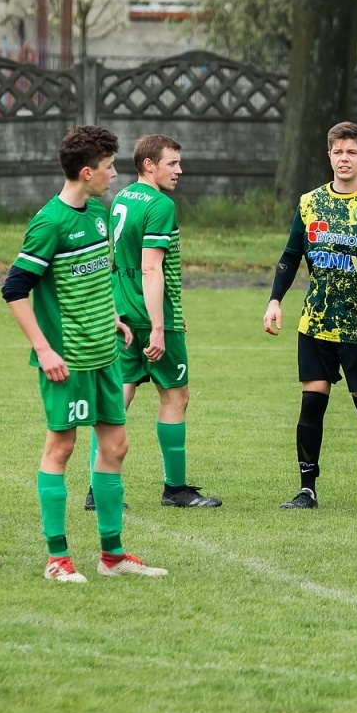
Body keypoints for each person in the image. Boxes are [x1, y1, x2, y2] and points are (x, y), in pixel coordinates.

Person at [2, 125, 167, 583]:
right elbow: (15, 290)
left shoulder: (97, 214)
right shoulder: (50, 222)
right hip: (67, 361)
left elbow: (93, 278)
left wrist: (110, 315)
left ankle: (111, 556)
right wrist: (44, 348)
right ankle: (57, 558)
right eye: (111, 167)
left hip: (103, 353)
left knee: (116, 445)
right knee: (63, 447)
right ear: (87, 171)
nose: (116, 174)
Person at [264, 122, 357, 510]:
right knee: (312, 402)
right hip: (316, 321)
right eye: (337, 152)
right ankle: (307, 488)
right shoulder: (310, 202)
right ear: (328, 155)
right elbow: (291, 254)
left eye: (351, 152)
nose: (344, 159)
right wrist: (275, 300)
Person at [86, 133, 221, 510]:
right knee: (175, 396)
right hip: (150, 315)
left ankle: (98, 489)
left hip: (123, 312)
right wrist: (161, 325)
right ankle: (175, 490)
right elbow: (150, 267)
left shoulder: (123, 198)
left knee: (117, 398)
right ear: (149, 165)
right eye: (172, 163)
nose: (180, 170)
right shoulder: (160, 205)